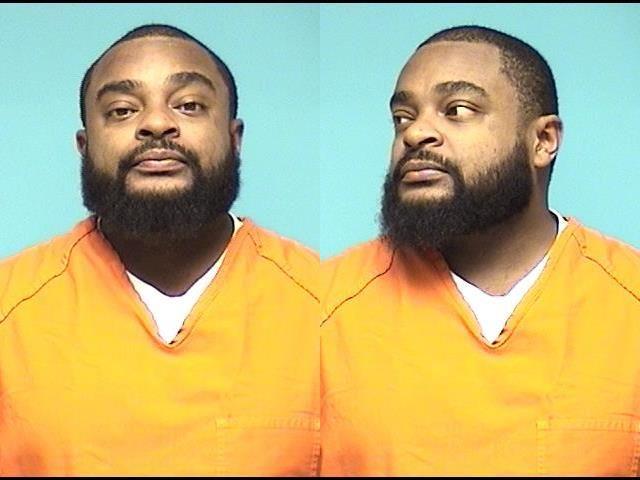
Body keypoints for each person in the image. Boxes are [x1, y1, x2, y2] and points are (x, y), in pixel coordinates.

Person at [0, 24, 319, 476]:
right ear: (84, 148)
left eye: (188, 105)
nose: (156, 123)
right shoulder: (10, 308)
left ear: (234, 139)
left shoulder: (325, 305)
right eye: (122, 110)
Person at [320, 25, 640, 476]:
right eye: (402, 118)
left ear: (543, 141)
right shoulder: (322, 307)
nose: (416, 133)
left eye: (457, 110)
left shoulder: (629, 300)